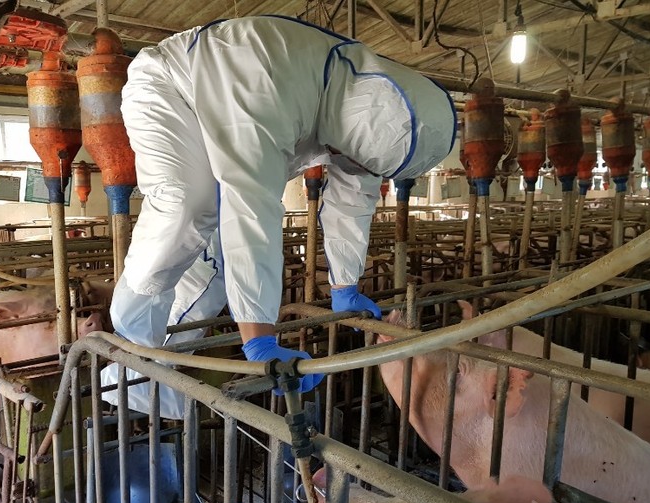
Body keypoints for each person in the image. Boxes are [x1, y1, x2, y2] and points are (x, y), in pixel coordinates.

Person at [104, 15, 457, 413]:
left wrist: (345, 286)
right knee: (187, 205)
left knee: (219, 258)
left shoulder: (364, 110)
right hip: (172, 87)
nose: (343, 160)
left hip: (240, 109)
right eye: (348, 155)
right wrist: (260, 340)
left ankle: (162, 372)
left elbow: (354, 197)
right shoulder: (269, 84)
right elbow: (251, 206)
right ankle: (129, 346)